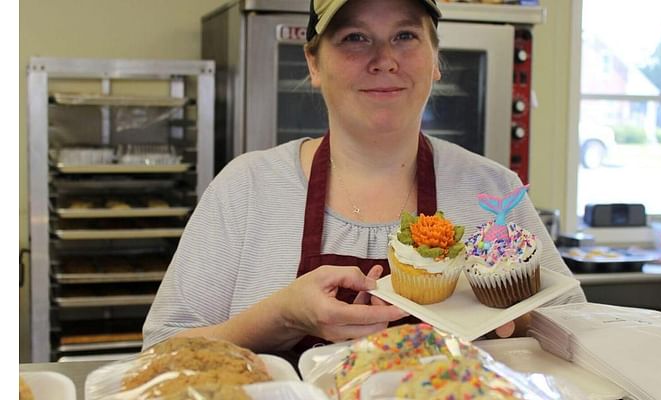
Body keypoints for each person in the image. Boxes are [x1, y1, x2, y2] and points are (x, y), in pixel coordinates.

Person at [142, 0, 586, 354]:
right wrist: (282, 317)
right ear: (314, 64)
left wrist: (516, 321)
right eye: (355, 37)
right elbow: (161, 353)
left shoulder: (493, 192)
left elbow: (582, 336)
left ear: (435, 60)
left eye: (405, 36)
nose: (384, 59)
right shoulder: (246, 189)